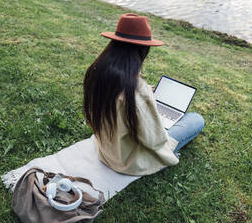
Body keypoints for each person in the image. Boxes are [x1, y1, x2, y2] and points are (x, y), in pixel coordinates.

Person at [83, 13, 205, 176]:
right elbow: (155, 141)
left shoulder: (97, 71)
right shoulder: (136, 91)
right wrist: (158, 118)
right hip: (128, 163)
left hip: (106, 151)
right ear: (143, 49)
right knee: (196, 119)